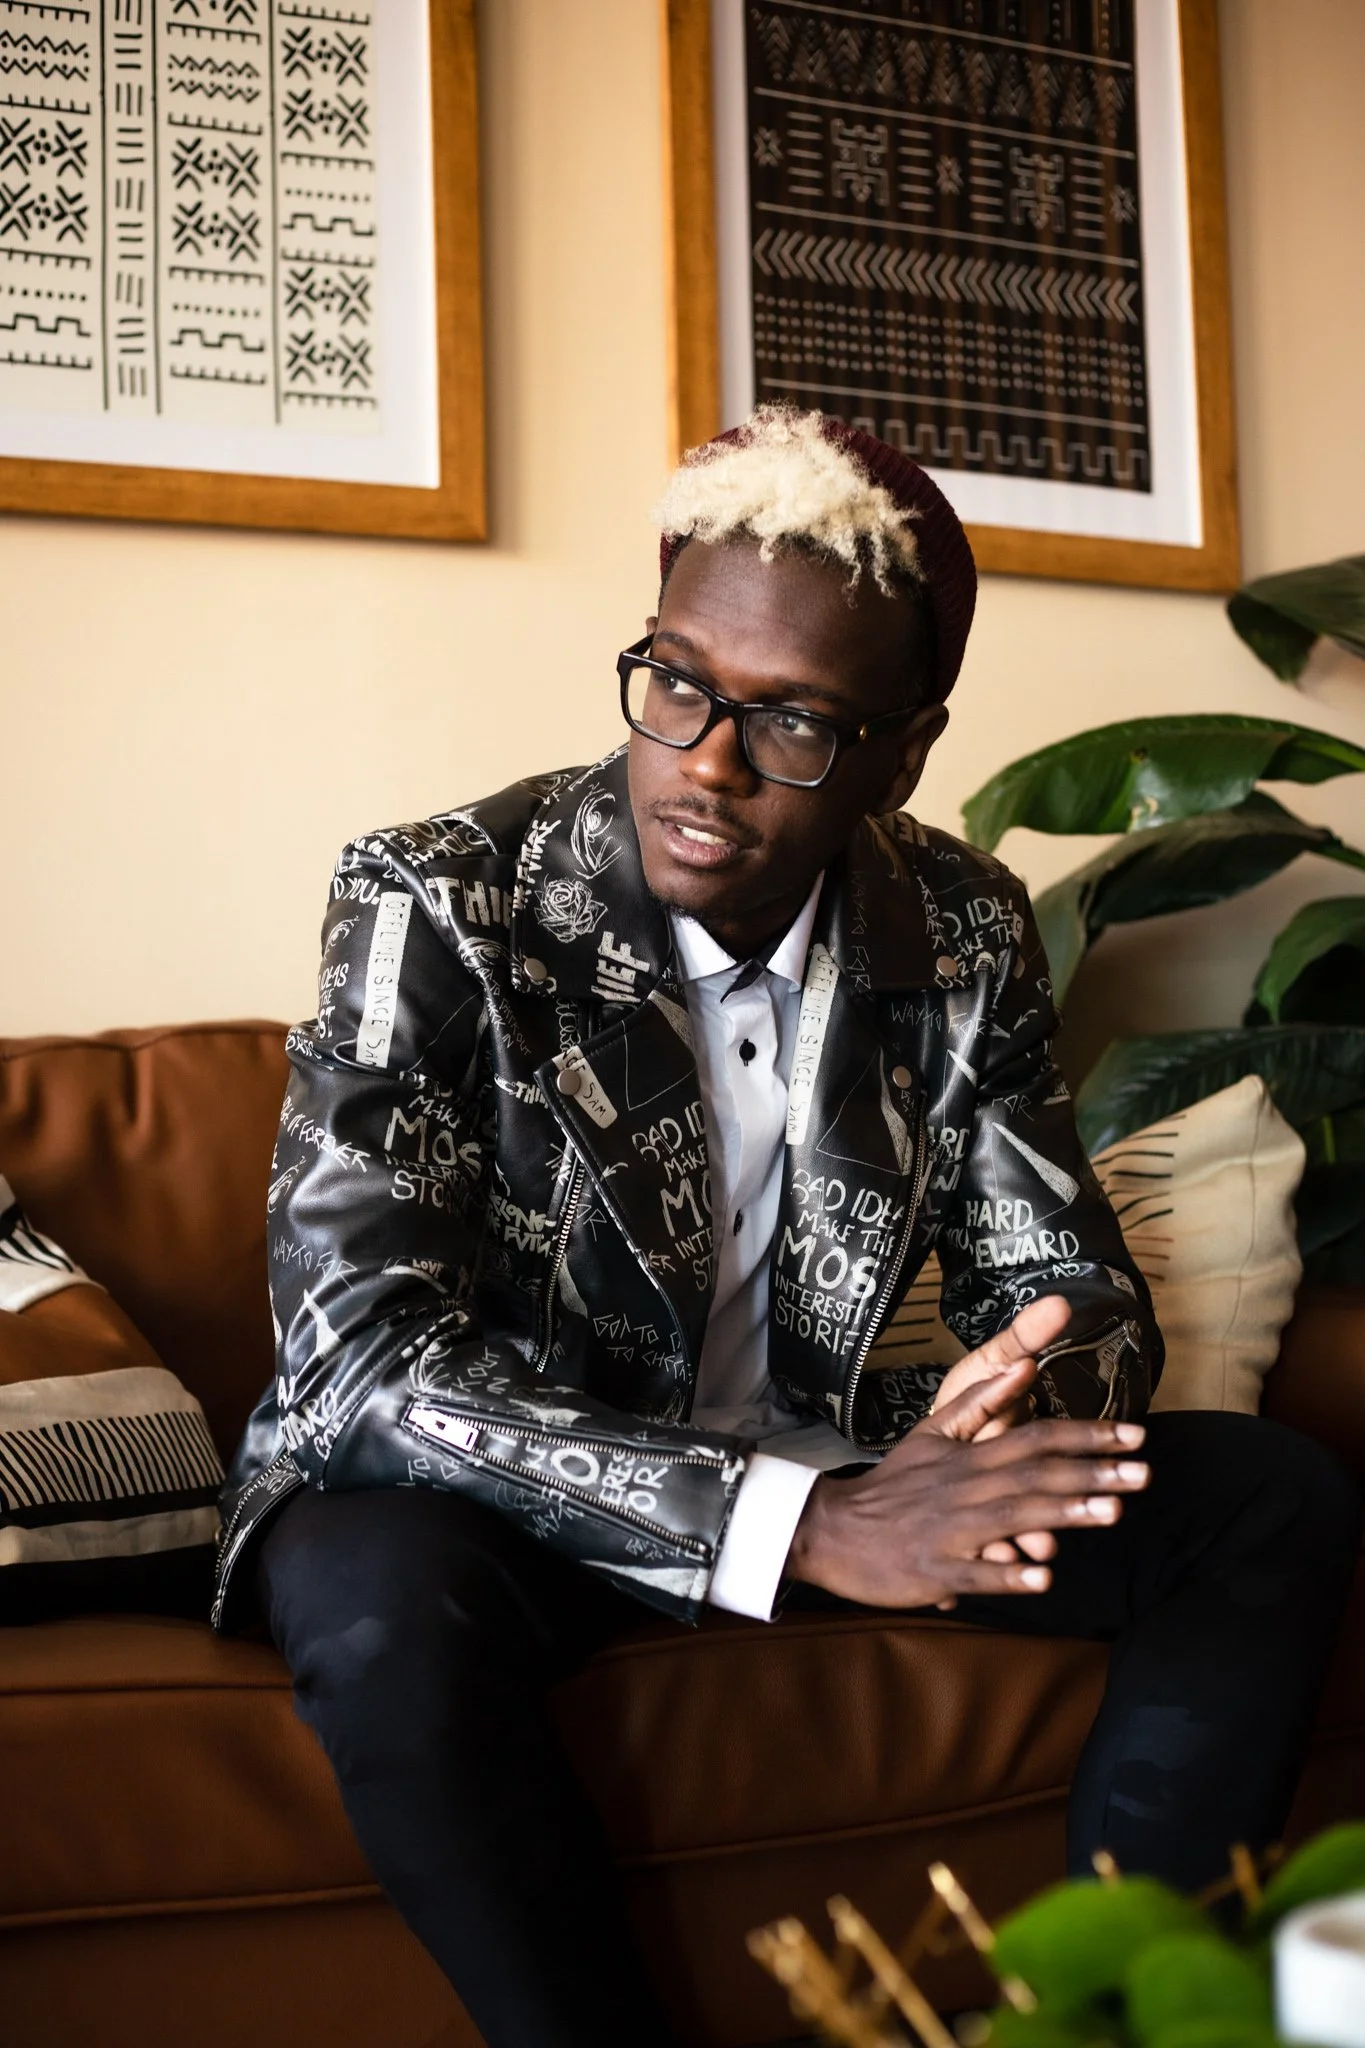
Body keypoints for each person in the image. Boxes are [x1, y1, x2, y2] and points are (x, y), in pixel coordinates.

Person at [215, 407, 1359, 2048]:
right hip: (509, 1504)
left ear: (903, 749)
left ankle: (1098, 2016)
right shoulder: (440, 897)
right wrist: (800, 1528)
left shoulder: (957, 927)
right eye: (677, 680)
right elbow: (360, 1366)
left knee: (1266, 1499)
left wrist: (1030, 1402)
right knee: (366, 1590)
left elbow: (1068, 1274)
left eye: (796, 723)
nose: (706, 758)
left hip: (837, 1457)